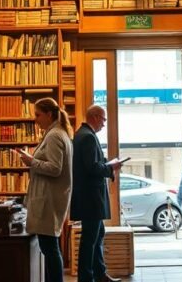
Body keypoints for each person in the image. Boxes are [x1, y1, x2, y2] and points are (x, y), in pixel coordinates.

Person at [17, 98, 73, 282]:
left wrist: (31, 161)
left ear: (49, 114)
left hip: (49, 200)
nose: (36, 119)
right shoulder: (57, 133)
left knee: (49, 248)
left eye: (38, 115)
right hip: (50, 198)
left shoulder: (54, 135)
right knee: (50, 247)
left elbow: (55, 168)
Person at [71, 105, 123, 282]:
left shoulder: (82, 135)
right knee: (90, 240)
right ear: (94, 117)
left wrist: (107, 163)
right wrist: (111, 168)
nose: (104, 123)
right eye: (103, 119)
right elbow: (92, 167)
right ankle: (86, 278)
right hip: (91, 198)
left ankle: (100, 274)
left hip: (88, 197)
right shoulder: (88, 138)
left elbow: (91, 163)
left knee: (97, 235)